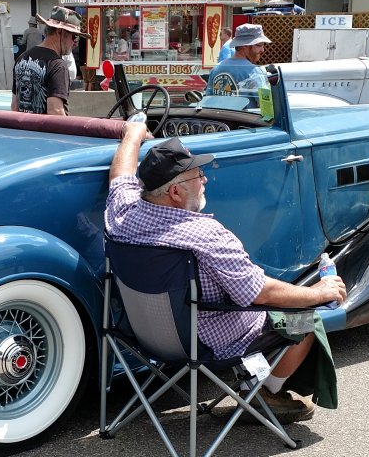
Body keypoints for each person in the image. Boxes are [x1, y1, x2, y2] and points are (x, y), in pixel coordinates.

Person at [105, 124, 346, 423]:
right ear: (176, 192)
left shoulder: (123, 213)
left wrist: (133, 133)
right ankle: (263, 393)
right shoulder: (207, 235)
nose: (205, 179)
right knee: (307, 318)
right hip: (206, 345)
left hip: (141, 337)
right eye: (197, 176)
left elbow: (120, 177)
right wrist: (320, 293)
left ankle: (255, 384)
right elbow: (260, 293)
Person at [12, 6, 84, 115]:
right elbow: (55, 111)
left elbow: (14, 107)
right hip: (45, 132)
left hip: (24, 131)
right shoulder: (57, 65)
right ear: (60, 32)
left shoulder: (21, 59)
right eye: (75, 37)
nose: (76, 43)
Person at [206, 23, 270, 98]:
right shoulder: (254, 72)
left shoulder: (216, 68)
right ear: (245, 45)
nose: (262, 50)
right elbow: (266, 105)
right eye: (259, 45)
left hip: (218, 110)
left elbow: (208, 99)